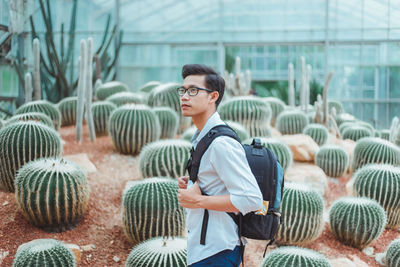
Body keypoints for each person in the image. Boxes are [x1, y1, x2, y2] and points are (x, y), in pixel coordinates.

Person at [177, 64, 263, 267]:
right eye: (183, 90)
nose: (184, 96)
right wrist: (196, 183)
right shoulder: (203, 136)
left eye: (193, 90)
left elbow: (251, 198)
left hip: (217, 252)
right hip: (205, 249)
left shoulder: (221, 143)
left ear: (213, 97)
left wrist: (198, 201)